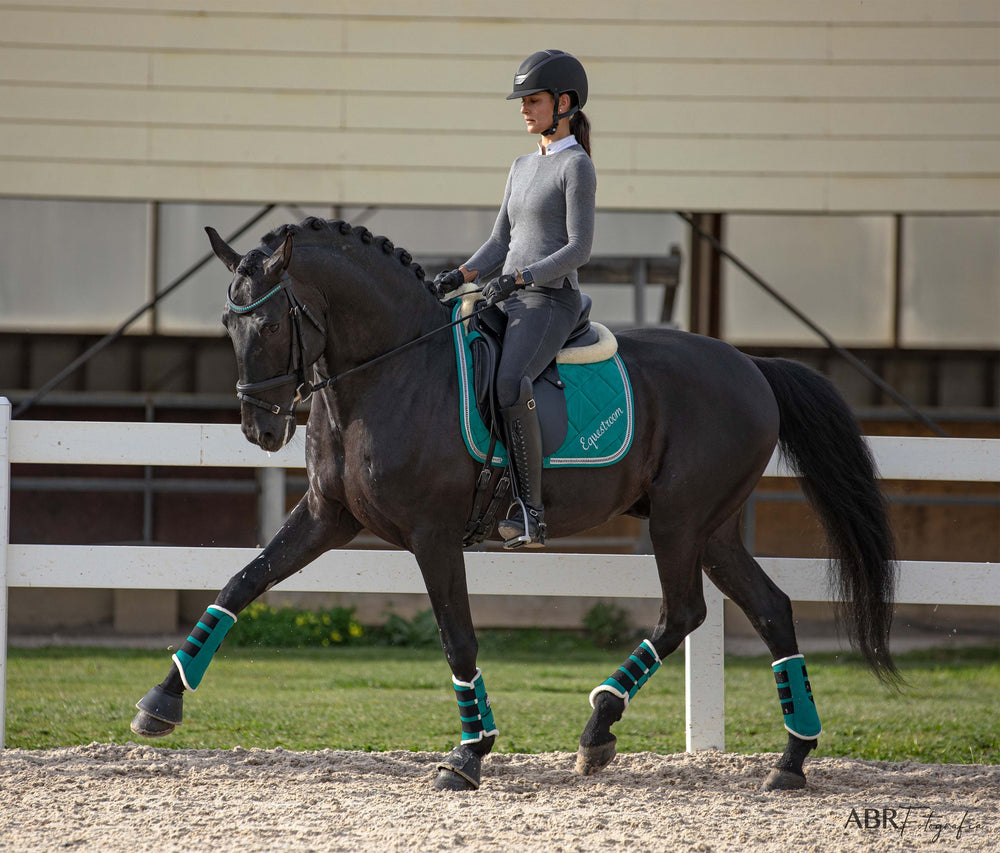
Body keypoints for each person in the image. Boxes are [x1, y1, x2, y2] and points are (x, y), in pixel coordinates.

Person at [435, 49, 597, 549]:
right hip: (507, 295)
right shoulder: (521, 165)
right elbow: (499, 241)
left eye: (533, 100)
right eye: (522, 101)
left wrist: (522, 278)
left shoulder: (577, 167)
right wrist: (460, 273)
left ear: (563, 102)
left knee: (509, 379)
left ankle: (531, 512)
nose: (523, 109)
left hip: (550, 301)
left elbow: (578, 249)